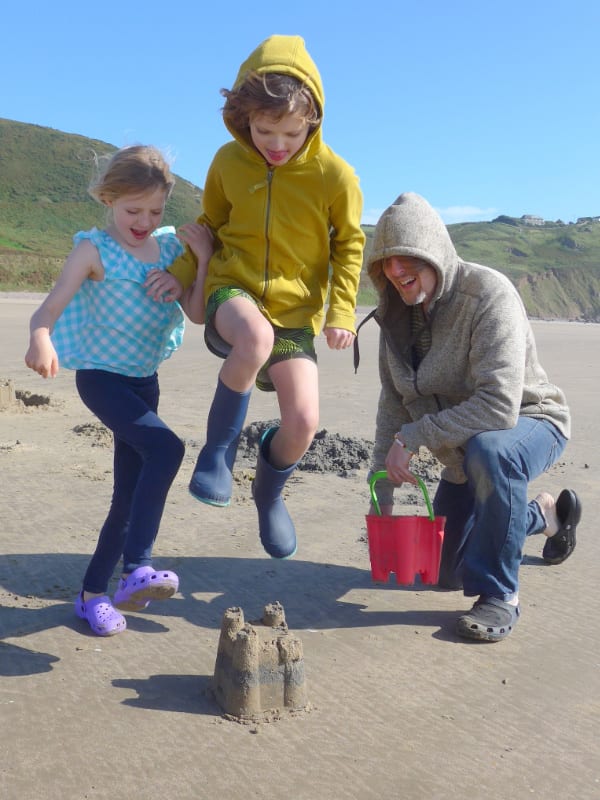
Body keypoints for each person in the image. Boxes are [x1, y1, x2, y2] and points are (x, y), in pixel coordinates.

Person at [147, 35, 365, 559]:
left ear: (313, 118)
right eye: (264, 130)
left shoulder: (335, 175)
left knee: (304, 421)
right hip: (234, 289)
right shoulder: (228, 161)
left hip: (295, 315)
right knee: (255, 337)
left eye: (291, 132)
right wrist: (180, 273)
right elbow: (209, 224)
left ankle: (268, 494)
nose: (276, 143)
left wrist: (341, 311)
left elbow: (350, 245)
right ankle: (217, 454)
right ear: (243, 115)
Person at [360, 191, 582, 642]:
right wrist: (380, 495)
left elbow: (499, 406)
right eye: (386, 260)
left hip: (529, 422)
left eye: (409, 258)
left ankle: (501, 595)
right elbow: (392, 404)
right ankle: (545, 516)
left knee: (491, 450)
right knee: (445, 573)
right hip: (463, 451)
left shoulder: (487, 295)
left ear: (435, 253)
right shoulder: (394, 317)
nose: (397, 271)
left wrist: (416, 435)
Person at [24, 145, 212, 636]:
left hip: (144, 381)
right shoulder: (94, 250)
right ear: (109, 199)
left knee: (127, 495)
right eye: (133, 210)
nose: (144, 220)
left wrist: (201, 261)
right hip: (102, 380)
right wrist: (40, 339)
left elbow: (194, 311)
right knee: (167, 448)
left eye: (155, 210)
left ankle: (90, 596)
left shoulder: (171, 249)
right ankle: (136, 570)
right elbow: (46, 312)